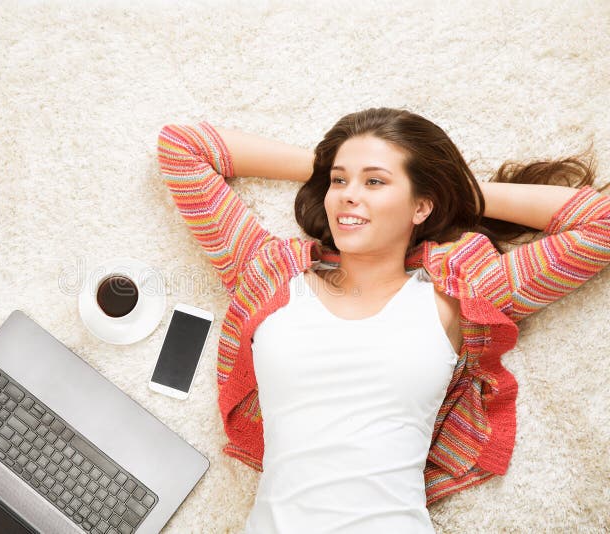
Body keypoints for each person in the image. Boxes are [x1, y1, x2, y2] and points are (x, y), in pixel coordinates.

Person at [156, 107, 610, 533]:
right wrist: (321, 167)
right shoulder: (269, 274)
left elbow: (601, 224)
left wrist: (453, 189)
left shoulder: (461, 295)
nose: (348, 194)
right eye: (339, 180)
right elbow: (182, 148)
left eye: (375, 182)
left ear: (420, 206)